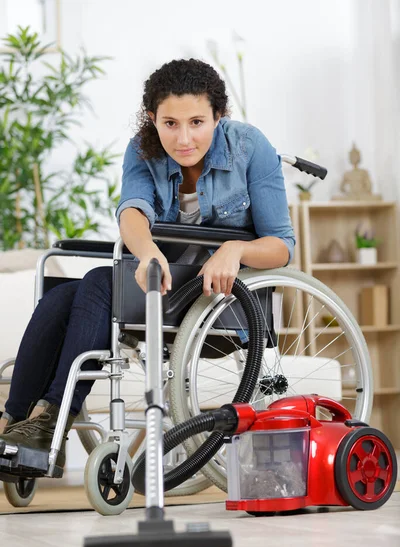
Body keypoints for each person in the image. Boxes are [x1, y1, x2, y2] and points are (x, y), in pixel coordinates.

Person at [0, 58, 295, 468]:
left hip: (221, 301)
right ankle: (16, 422)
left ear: (219, 116)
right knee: (64, 296)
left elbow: (281, 245)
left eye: (197, 122)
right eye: (170, 123)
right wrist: (148, 251)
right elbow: (132, 211)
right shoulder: (143, 149)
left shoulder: (250, 147)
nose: (184, 138)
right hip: (164, 282)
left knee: (99, 284)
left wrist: (236, 249)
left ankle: (51, 418)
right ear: (153, 118)